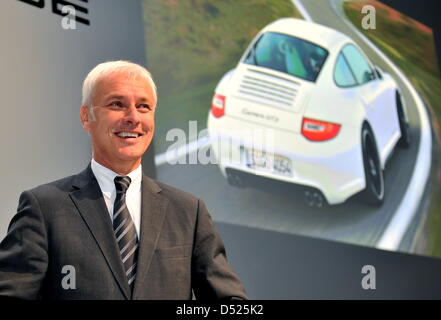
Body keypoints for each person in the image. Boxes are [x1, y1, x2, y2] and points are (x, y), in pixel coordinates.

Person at [0, 60, 247, 300]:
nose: (133, 117)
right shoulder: (44, 207)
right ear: (86, 116)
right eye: (117, 104)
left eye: (143, 107)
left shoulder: (189, 212)